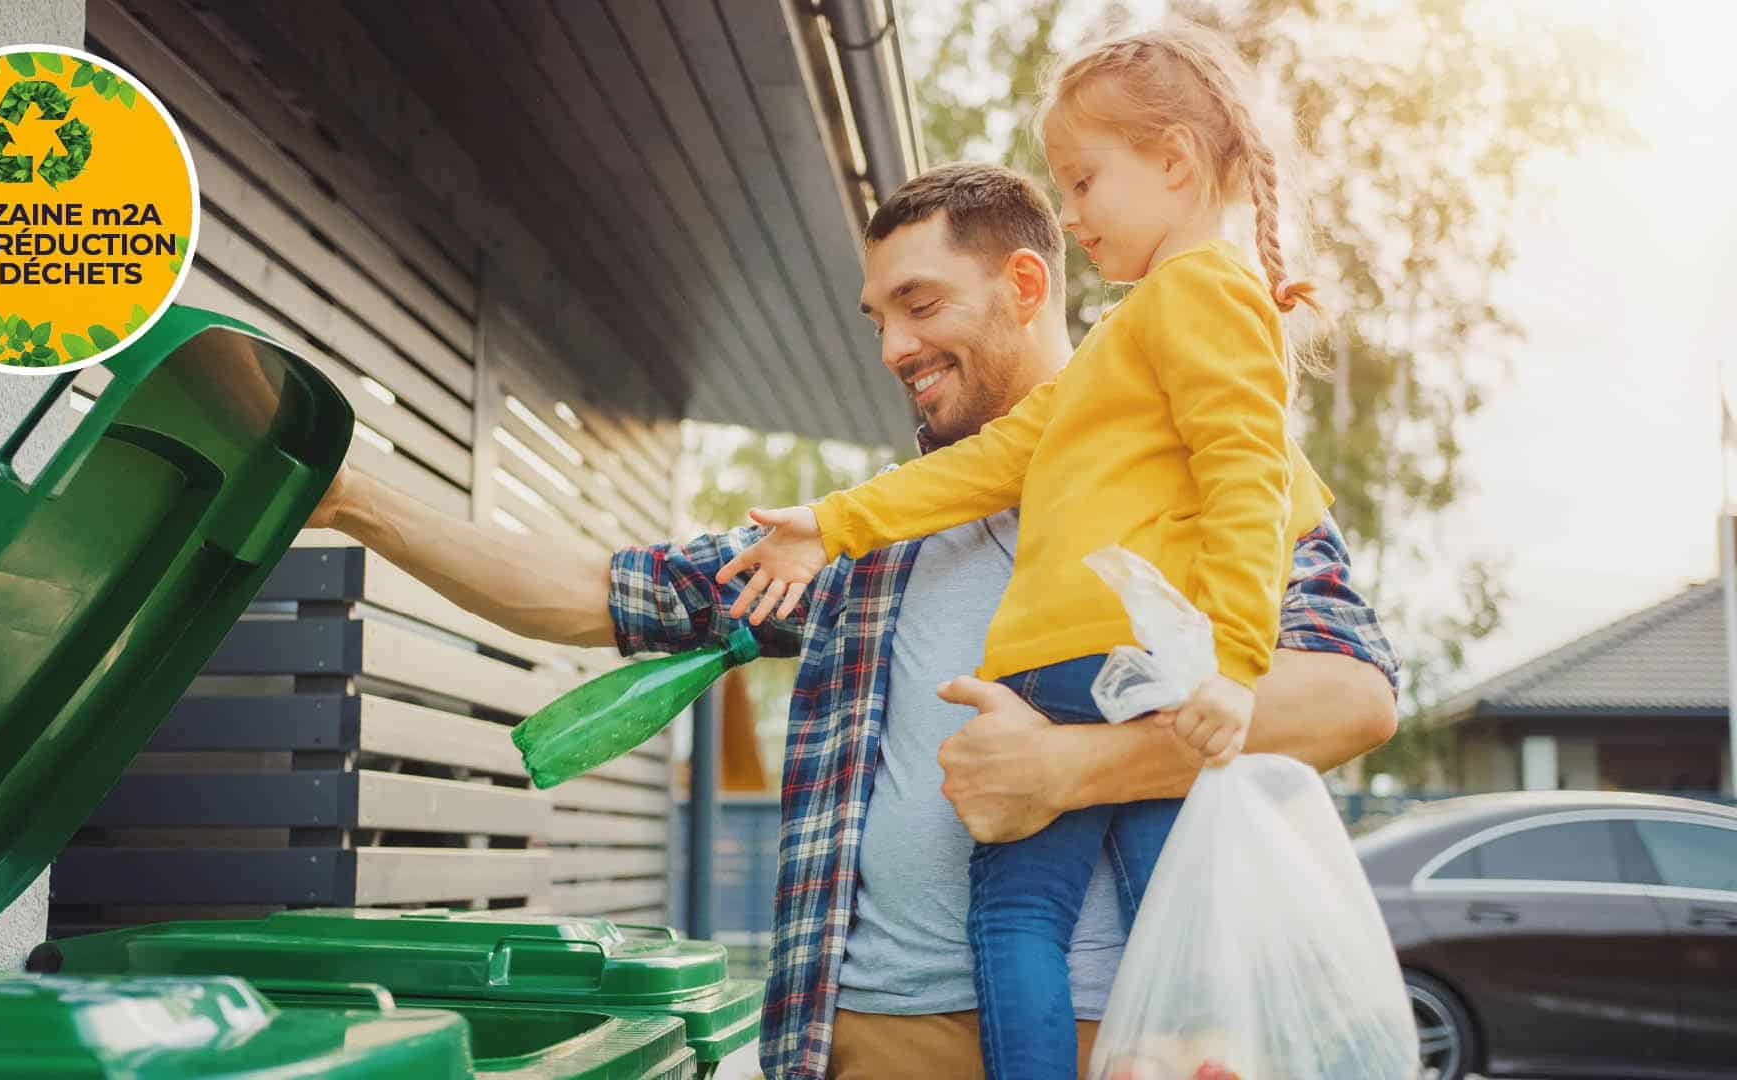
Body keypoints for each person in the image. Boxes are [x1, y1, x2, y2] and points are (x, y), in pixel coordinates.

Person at [303, 162, 1399, 1079]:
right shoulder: (864, 538)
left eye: (921, 305)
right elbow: (602, 593)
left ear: (1026, 284)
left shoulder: (1212, 464)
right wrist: (357, 500)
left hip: (1118, 1043)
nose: (891, 350)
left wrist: (1071, 769)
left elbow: (1350, 700)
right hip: (866, 1039)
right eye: (878, 318)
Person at [712, 25, 1334, 1078]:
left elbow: (1250, 483)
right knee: (1162, 901)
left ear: (1176, 162)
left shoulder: (1200, 294)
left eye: (1086, 182)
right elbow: (994, 462)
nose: (1075, 212)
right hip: (1095, 670)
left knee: (1020, 918)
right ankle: (1196, 1050)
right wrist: (836, 523)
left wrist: (1233, 661)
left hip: (1098, 668)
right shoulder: (1127, 342)